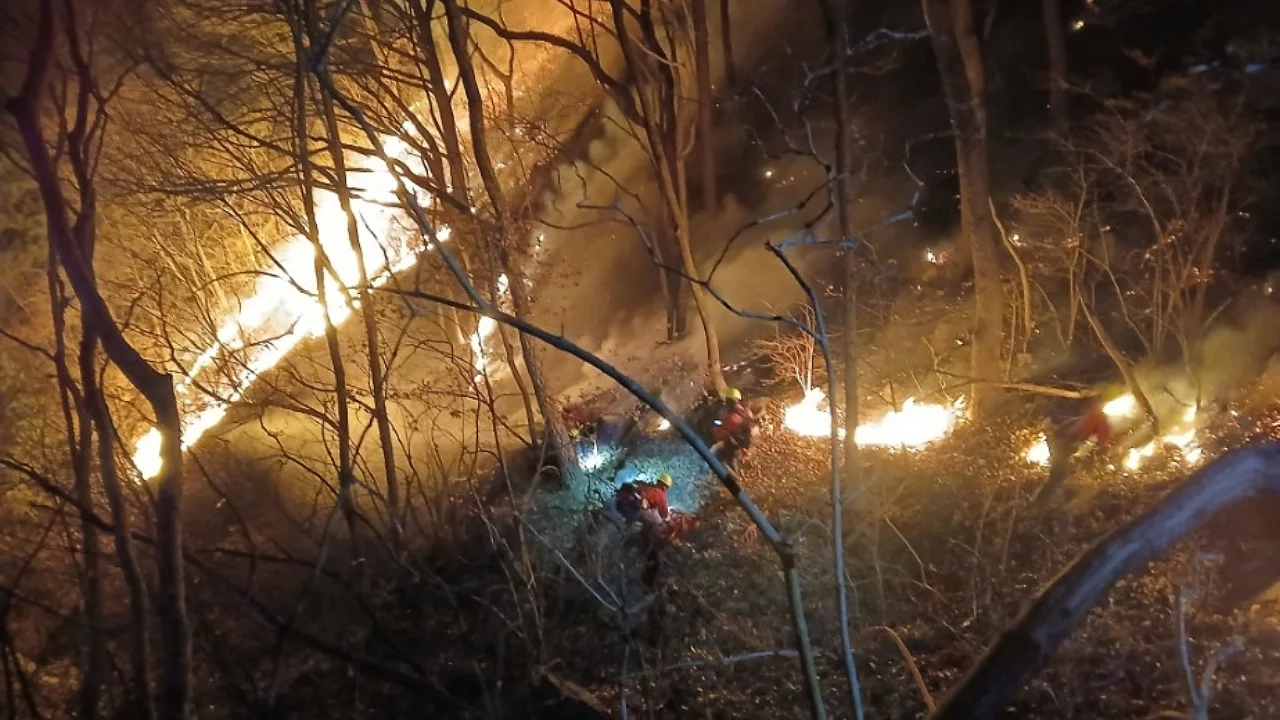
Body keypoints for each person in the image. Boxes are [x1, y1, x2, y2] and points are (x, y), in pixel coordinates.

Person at [1033, 398, 1113, 508]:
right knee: (1058, 475)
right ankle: (1041, 502)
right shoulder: (1098, 419)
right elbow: (1102, 440)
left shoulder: (1085, 418)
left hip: (1059, 441)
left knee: (1059, 474)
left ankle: (1045, 500)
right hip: (1063, 443)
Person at [711, 388, 755, 465]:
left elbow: (720, 433)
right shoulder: (746, 411)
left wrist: (715, 435)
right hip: (744, 438)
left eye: (727, 400)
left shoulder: (733, 417)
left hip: (735, 441)